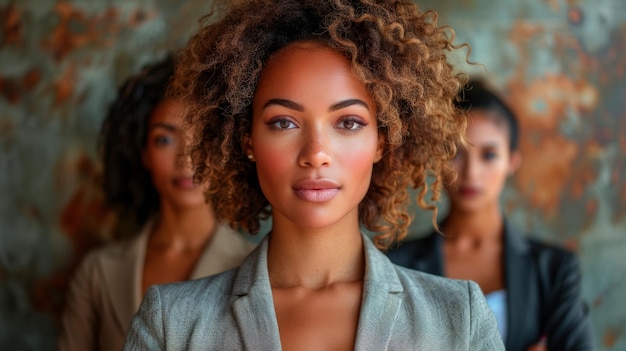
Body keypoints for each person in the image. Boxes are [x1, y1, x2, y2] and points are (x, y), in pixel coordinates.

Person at [123, 1, 505, 350]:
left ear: (382, 142)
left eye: (349, 122)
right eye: (284, 122)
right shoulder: (169, 325)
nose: (316, 154)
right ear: (248, 140)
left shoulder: (460, 320)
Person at [57, 55, 256, 351]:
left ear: (225, 149)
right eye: (165, 140)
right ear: (144, 154)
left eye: (203, 136)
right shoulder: (97, 272)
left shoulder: (255, 269)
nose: (186, 159)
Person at [388, 79, 593, 351]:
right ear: (437, 159)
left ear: (512, 161)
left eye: (489, 155)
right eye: (456, 152)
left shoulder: (554, 270)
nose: (472, 173)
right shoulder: (395, 266)